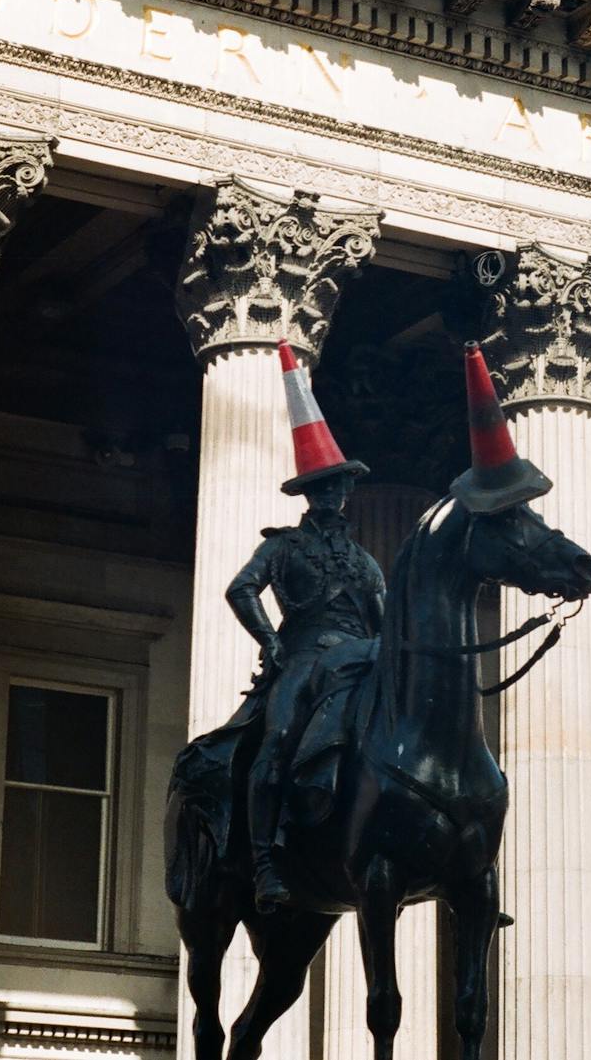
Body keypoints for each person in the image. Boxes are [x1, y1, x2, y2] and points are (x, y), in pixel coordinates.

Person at [226, 342, 385, 912]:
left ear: (346, 494)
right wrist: (270, 640)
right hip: (302, 658)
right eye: (321, 488)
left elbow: (384, 623)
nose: (331, 495)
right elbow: (240, 589)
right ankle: (266, 859)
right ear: (308, 495)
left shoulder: (366, 562)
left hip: (360, 661)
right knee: (276, 741)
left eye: (337, 487)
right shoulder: (284, 546)